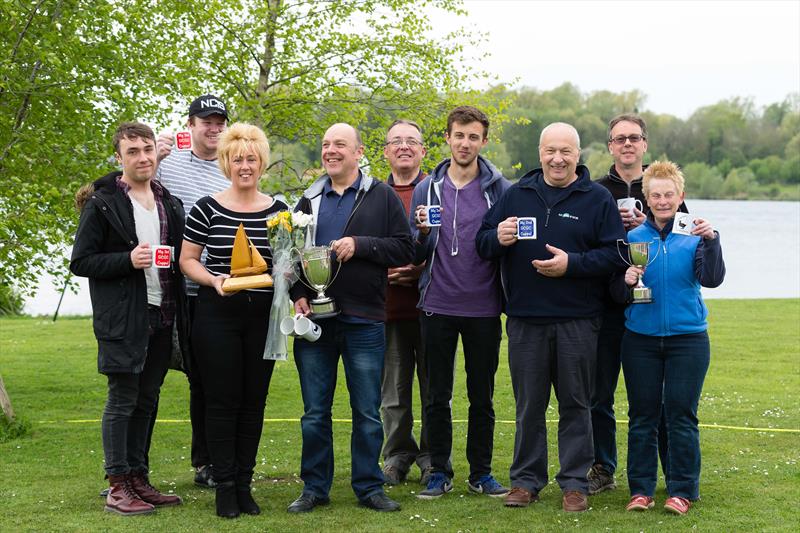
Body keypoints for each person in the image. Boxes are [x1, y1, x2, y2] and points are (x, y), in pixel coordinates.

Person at [476, 122, 626, 512]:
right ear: (540, 152)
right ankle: (526, 481)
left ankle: (575, 483)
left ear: (578, 155)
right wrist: (499, 237)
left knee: (577, 404)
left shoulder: (597, 198)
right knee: (529, 406)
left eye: (566, 152)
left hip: (579, 319)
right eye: (550, 151)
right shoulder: (515, 195)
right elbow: (482, 242)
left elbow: (615, 255)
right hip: (526, 319)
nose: (557, 159)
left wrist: (571, 265)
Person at [287, 123, 414, 513]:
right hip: (316, 323)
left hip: (365, 319)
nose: (331, 151)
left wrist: (361, 245)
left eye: (340, 144)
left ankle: (369, 487)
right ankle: (314, 488)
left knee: (366, 412)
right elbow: (292, 257)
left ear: (359, 152)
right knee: (314, 413)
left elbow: (404, 247)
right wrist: (298, 294)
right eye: (325, 144)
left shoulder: (382, 196)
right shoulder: (307, 199)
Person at [71, 122, 186, 515]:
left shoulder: (168, 200)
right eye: (133, 151)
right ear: (119, 157)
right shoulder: (103, 202)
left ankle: (139, 479)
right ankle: (117, 484)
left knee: (147, 400)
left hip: (162, 313)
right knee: (122, 399)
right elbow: (81, 261)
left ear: (157, 152)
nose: (142, 157)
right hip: (122, 318)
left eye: (147, 149)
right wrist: (127, 259)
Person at [180, 123, 288, 518]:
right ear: (226, 163)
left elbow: (285, 262)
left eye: (252, 159)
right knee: (222, 402)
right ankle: (224, 487)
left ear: (262, 163)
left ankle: (245, 483)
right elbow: (187, 260)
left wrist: (288, 274)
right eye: (238, 159)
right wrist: (214, 279)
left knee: (253, 403)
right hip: (216, 315)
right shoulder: (206, 207)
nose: (246, 166)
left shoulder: (279, 211)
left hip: (262, 318)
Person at [411, 106, 511, 500]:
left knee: (481, 395)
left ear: (483, 141)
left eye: (473, 137)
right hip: (436, 303)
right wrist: (420, 232)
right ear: (448, 139)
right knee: (437, 394)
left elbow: (508, 244)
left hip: (484, 307)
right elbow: (417, 251)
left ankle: (481, 473)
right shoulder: (427, 188)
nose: (465, 143)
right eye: (459, 135)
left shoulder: (500, 188)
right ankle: (438, 470)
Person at [618, 160, 725, 515]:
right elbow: (616, 291)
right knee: (642, 417)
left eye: (669, 194)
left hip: (688, 339)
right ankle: (641, 490)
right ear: (645, 199)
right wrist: (626, 280)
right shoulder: (632, 239)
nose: (662, 201)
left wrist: (712, 240)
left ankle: (681, 490)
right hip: (640, 340)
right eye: (655, 195)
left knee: (681, 415)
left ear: (680, 196)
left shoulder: (695, 235)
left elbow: (711, 279)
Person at [590, 114, 686, 494]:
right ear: (610, 146)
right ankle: (603, 466)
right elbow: (586, 242)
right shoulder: (596, 191)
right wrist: (618, 230)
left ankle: (667, 470)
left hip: (651, 308)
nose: (627, 144)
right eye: (619, 139)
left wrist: (652, 226)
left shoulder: (663, 188)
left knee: (653, 399)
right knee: (600, 394)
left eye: (634, 138)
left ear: (644, 144)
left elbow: (684, 241)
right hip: (607, 306)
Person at [156, 94, 231, 489]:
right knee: (154, 377)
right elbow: (124, 185)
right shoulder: (166, 162)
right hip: (172, 288)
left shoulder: (231, 166)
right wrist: (153, 153)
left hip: (214, 289)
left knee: (209, 377)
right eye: (207, 121)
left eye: (220, 121)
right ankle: (128, 471)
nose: (214, 128)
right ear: (190, 124)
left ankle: (208, 462)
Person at [379, 120, 434, 486]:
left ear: (423, 151)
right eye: (396, 142)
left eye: (411, 141)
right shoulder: (373, 195)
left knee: (434, 388)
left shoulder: (438, 192)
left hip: (433, 306)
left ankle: (432, 456)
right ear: (385, 151)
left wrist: (422, 270)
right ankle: (398, 455)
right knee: (394, 392)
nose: (403, 147)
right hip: (387, 307)